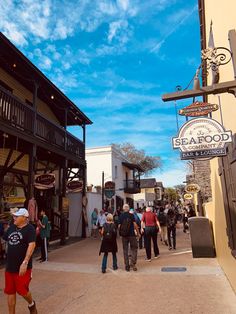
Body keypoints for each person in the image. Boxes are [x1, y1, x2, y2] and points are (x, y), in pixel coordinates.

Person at [3, 208, 38, 314]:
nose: (14, 218)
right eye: (14, 216)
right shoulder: (12, 227)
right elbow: (5, 238)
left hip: (23, 267)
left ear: (24, 218)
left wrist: (25, 262)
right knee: (10, 292)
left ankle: (31, 303)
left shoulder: (30, 229)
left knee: (22, 291)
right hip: (10, 266)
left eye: (16, 216)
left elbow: (32, 245)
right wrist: (7, 226)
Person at [119, 204, 140, 271]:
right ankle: (133, 264)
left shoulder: (121, 216)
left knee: (125, 250)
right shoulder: (131, 215)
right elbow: (135, 225)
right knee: (134, 248)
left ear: (123, 209)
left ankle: (127, 266)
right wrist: (138, 233)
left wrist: (121, 233)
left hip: (124, 236)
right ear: (128, 209)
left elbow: (119, 226)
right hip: (132, 235)